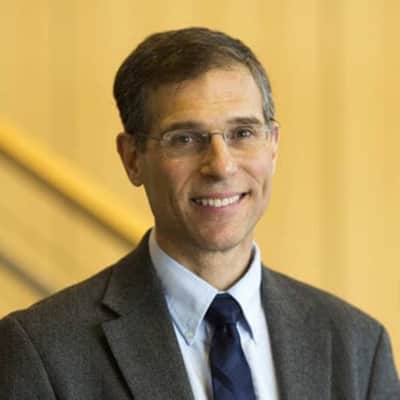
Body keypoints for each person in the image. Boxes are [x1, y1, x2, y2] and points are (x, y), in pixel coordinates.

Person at [0, 27, 398, 400]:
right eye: (186, 139)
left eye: (242, 133)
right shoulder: (42, 350)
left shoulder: (359, 346)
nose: (221, 166)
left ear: (273, 145)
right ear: (133, 158)